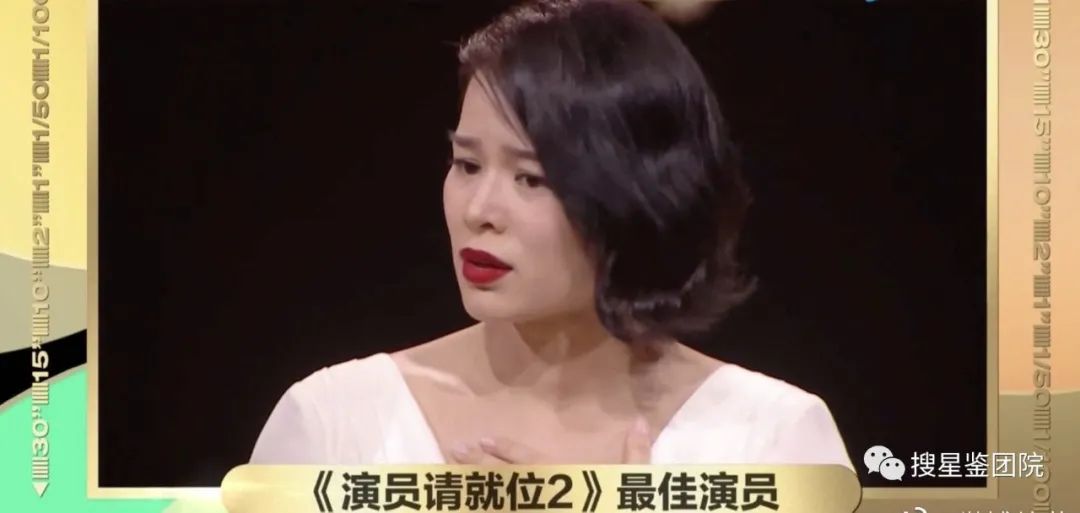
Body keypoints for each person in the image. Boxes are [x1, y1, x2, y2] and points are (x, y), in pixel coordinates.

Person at [250, 0, 852, 468]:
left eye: (531, 178)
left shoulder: (772, 440)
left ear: (635, 195)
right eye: (467, 164)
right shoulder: (334, 425)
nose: (480, 211)